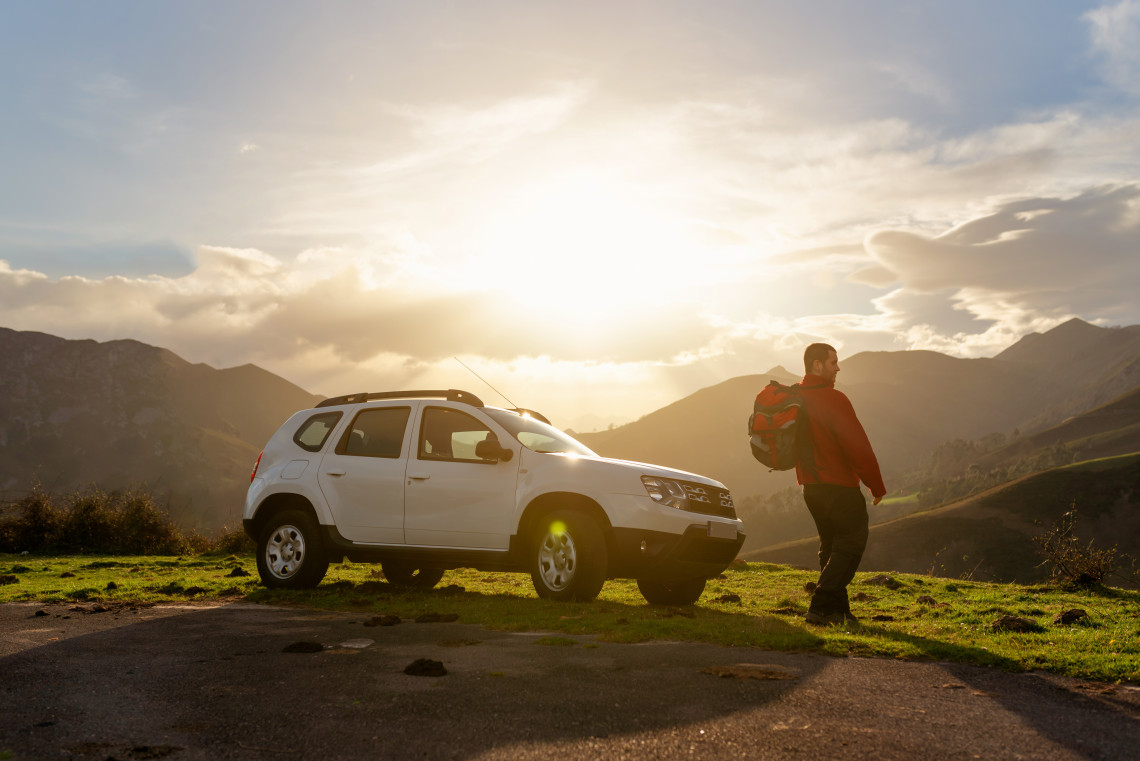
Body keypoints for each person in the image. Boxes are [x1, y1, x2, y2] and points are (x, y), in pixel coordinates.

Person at [795, 342, 886, 626]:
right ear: (817, 365)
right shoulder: (834, 399)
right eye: (833, 362)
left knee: (832, 546)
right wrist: (876, 485)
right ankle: (821, 605)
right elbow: (857, 446)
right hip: (839, 487)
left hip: (810, 488)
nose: (838, 368)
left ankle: (838, 611)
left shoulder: (794, 397)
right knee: (852, 542)